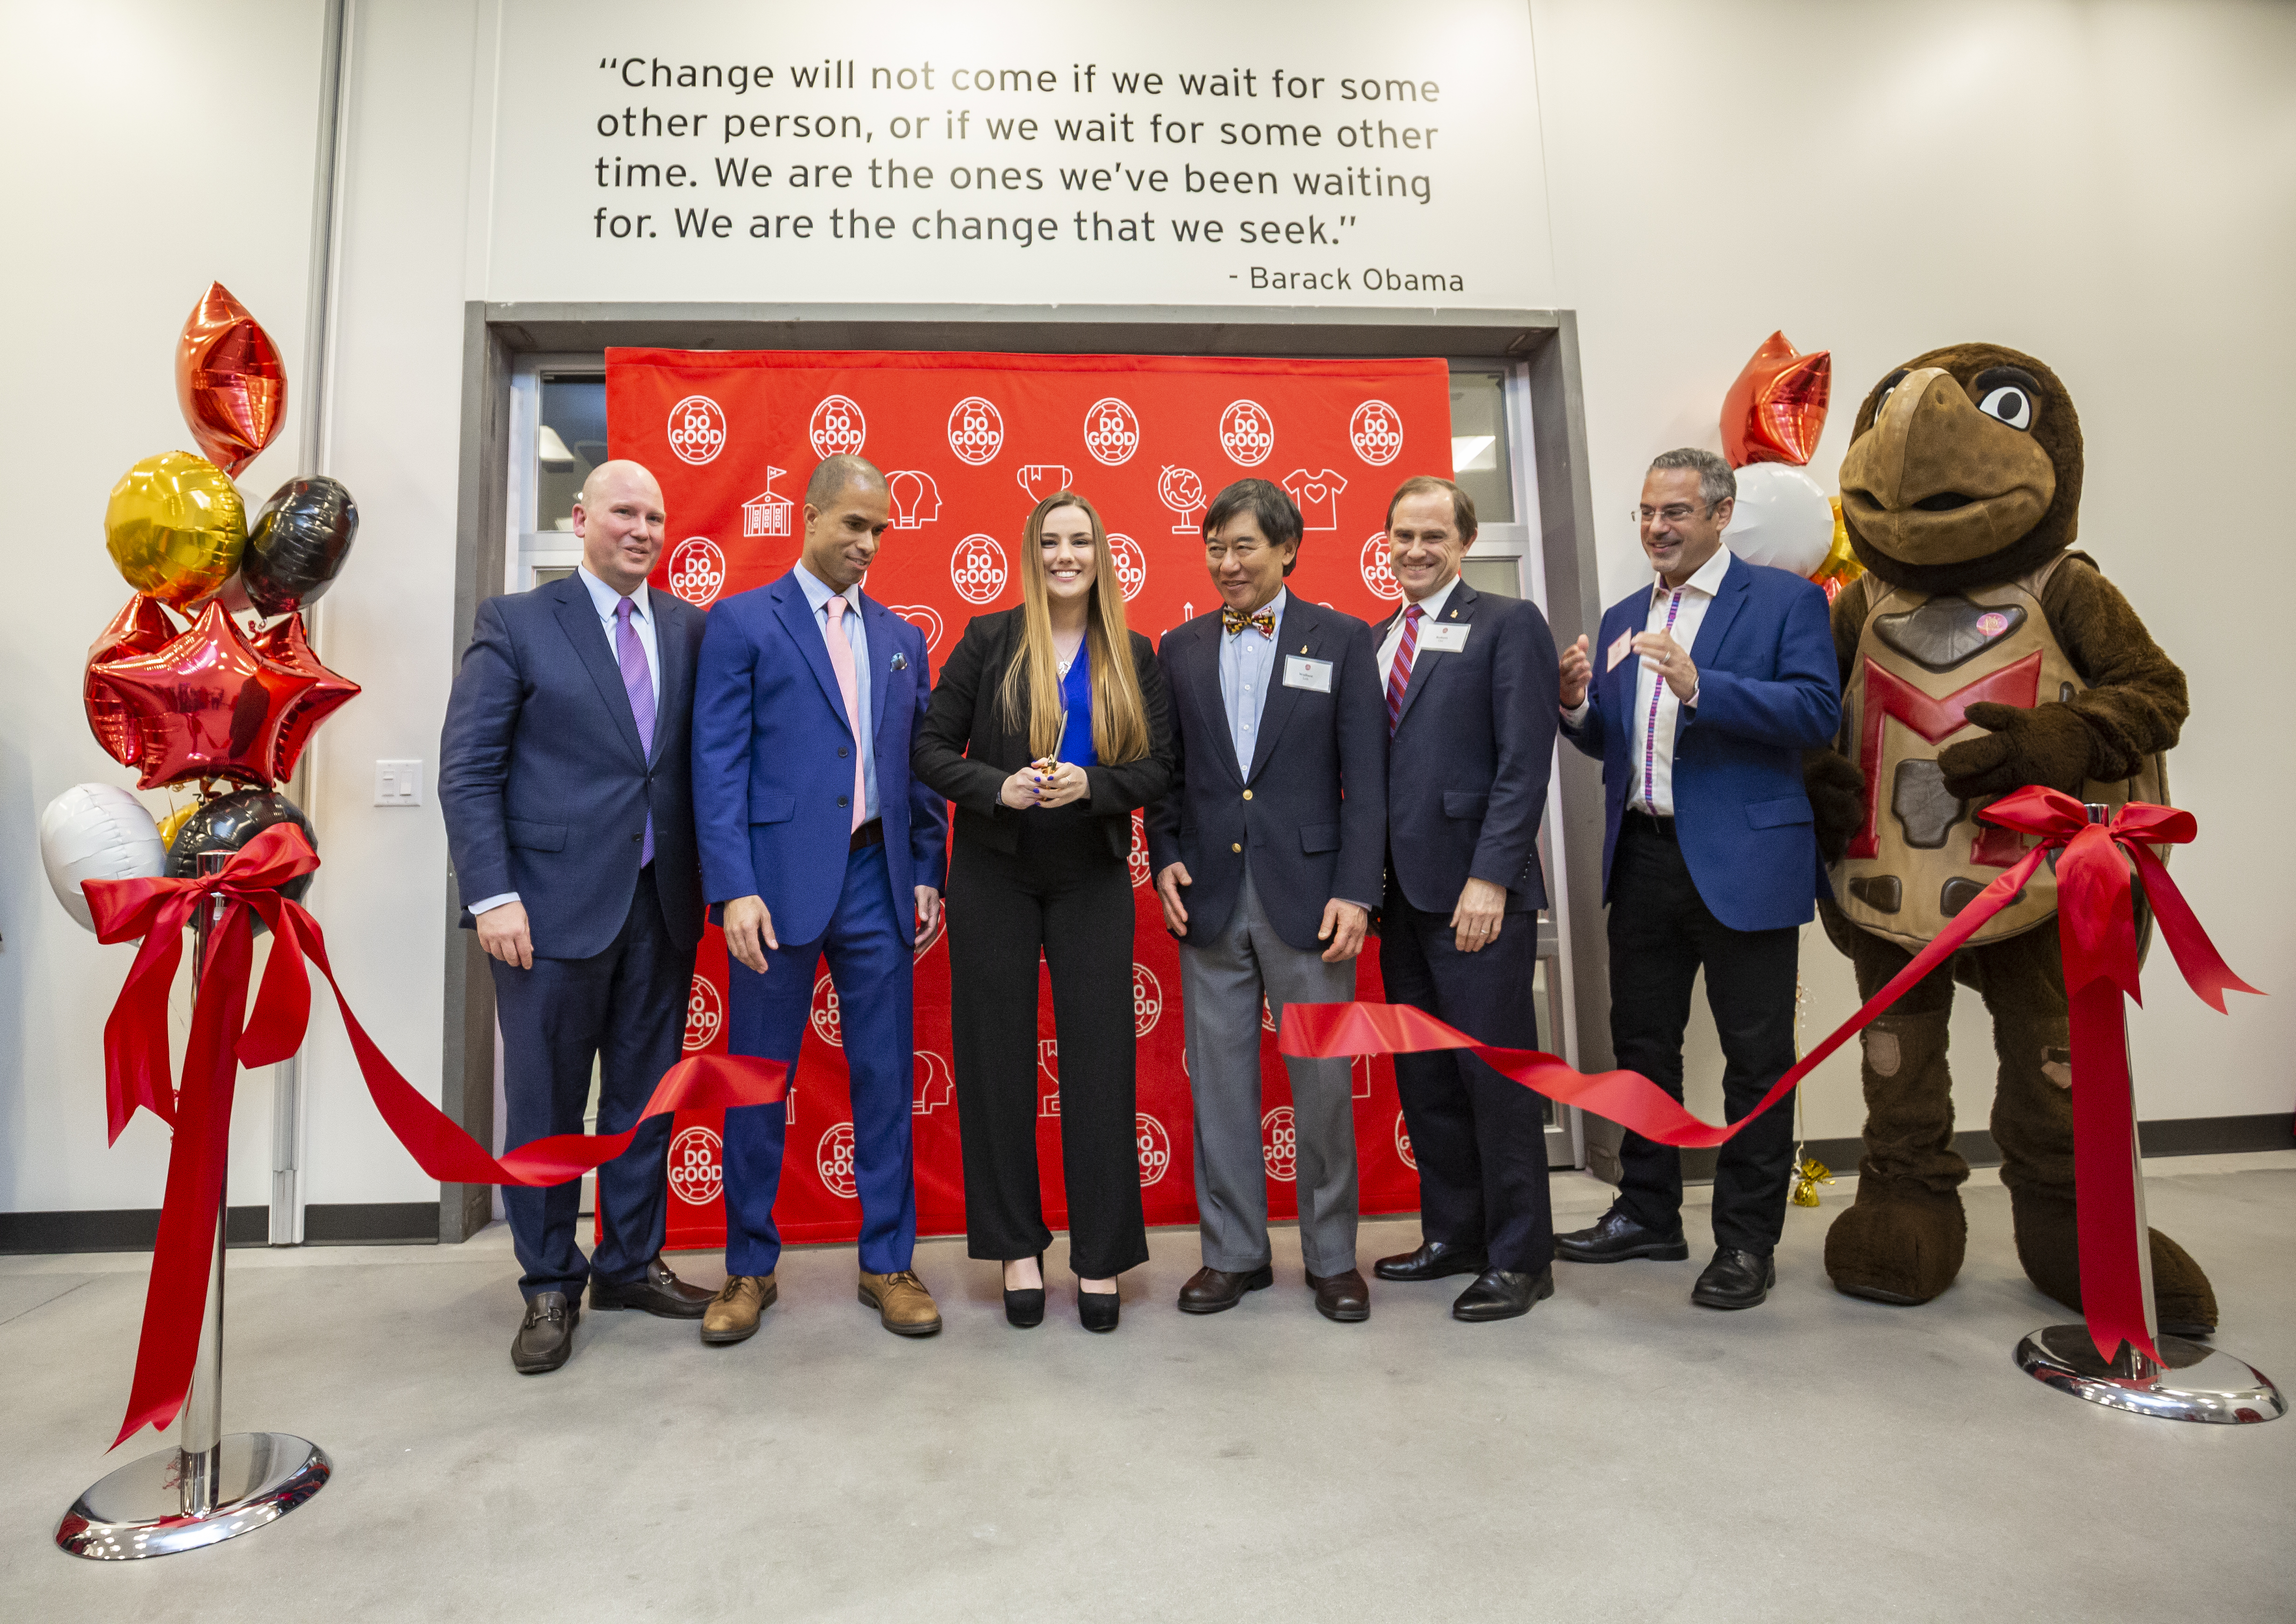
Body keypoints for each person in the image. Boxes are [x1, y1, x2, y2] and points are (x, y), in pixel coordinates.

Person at [439, 459, 714, 1375]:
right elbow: (469, 768)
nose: (642, 528)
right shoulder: (515, 623)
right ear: (580, 516)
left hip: (661, 905)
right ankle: (549, 1281)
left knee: (641, 1104)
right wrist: (491, 894)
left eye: (656, 516)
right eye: (624, 511)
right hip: (544, 913)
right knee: (550, 1105)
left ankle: (630, 1262)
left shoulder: (688, 628)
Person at [1554, 448, 1840, 1309]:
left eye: (1674, 512)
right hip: (1642, 857)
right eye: (1646, 513)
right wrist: (1573, 704)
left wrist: (1701, 684)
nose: (1656, 528)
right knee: (1641, 1051)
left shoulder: (1784, 601)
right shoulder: (1617, 618)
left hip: (1744, 863)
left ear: (1721, 517)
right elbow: (1613, 738)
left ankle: (1746, 1243)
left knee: (1756, 1061)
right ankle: (1646, 1212)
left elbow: (1816, 713)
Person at [689, 456, 950, 1342]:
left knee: (883, 1079)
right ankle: (746, 1273)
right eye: (852, 525)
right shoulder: (740, 624)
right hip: (773, 892)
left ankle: (889, 1262)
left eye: (879, 530)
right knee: (757, 1084)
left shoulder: (900, 638)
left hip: (878, 884)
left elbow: (917, 771)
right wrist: (733, 889)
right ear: (808, 517)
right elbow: (714, 767)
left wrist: (925, 872)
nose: (867, 544)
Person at [912, 492, 1175, 1333]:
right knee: (995, 1063)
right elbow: (925, 748)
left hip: (1090, 877)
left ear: (1102, 555)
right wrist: (999, 787)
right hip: (994, 874)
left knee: (1101, 1066)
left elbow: (1159, 768)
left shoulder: (1132, 652)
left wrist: (1094, 784)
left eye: (1081, 542)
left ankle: (1099, 1257)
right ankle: (1016, 1249)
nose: (1066, 555)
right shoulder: (988, 641)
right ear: (1032, 553)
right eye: (1051, 542)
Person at [1147, 478, 1387, 1323]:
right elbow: (1166, 778)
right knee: (1219, 1086)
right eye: (1214, 547)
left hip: (1313, 900)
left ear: (1286, 549)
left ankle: (1330, 1258)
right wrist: (1164, 859)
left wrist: (1358, 890)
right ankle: (1234, 1254)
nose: (1226, 563)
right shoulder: (1176, 649)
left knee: (1319, 1085)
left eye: (1243, 546)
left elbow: (1369, 782)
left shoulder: (1343, 639)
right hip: (1210, 897)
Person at [1370, 475, 1562, 1323]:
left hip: (1476, 895)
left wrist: (1491, 875)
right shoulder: (1377, 639)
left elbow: (1524, 763)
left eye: (1432, 537)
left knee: (1496, 1079)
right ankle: (1455, 1234)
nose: (1416, 551)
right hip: (1401, 900)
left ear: (1464, 542)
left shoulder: (1506, 624)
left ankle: (1522, 1257)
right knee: (1430, 1079)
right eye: (1402, 536)